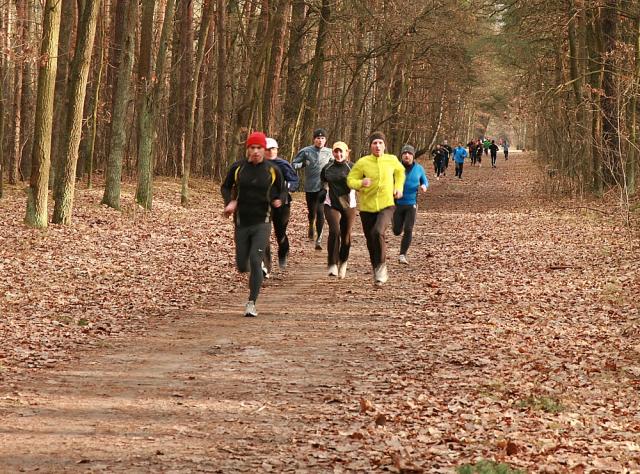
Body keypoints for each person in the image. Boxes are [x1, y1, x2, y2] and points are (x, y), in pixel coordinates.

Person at [221, 132, 286, 317]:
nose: (256, 151)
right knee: (242, 265)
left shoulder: (272, 169)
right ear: (247, 149)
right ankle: (254, 270)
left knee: (256, 260)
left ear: (264, 149)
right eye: (252, 148)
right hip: (242, 221)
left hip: (262, 221)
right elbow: (225, 186)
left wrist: (279, 200)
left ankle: (251, 303)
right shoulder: (238, 168)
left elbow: (282, 190)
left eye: (259, 148)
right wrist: (230, 202)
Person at [347, 131, 405, 285]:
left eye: (380, 143)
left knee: (377, 232)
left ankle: (381, 267)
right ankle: (376, 268)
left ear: (384, 145)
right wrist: (360, 183)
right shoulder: (363, 162)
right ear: (370, 146)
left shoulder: (391, 160)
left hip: (387, 205)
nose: (377, 146)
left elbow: (400, 172)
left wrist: (398, 187)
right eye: (374, 143)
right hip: (367, 207)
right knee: (370, 239)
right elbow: (350, 180)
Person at [292, 128, 333, 250]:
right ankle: (311, 224)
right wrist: (303, 164)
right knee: (312, 212)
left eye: (322, 138)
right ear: (314, 139)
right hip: (310, 187)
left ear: (325, 140)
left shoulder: (330, 152)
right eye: (318, 138)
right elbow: (293, 164)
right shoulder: (306, 151)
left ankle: (319, 239)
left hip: (323, 187)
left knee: (320, 212)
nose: (320, 140)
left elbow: (337, 164)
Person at [263, 138, 299, 273]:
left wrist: (285, 191)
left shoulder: (283, 164)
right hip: (263, 204)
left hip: (282, 204)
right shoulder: (258, 165)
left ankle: (283, 253)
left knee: (280, 233)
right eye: (267, 149)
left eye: (273, 149)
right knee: (263, 233)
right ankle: (265, 266)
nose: (270, 152)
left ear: (277, 150)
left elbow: (294, 181)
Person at [321, 141, 356, 278]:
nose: (339, 154)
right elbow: (323, 181)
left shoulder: (352, 167)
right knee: (334, 231)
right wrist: (323, 191)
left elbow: (360, 183)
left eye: (341, 151)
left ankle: (343, 261)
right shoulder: (327, 167)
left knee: (346, 235)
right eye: (336, 151)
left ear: (347, 152)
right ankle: (332, 264)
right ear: (333, 152)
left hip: (348, 205)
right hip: (331, 204)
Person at [393, 145, 428, 264]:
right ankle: (398, 223)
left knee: (408, 229)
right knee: (397, 231)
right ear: (401, 156)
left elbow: (424, 180)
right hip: (397, 204)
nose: (407, 155)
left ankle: (402, 254)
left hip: (411, 203)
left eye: (409, 153)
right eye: (404, 153)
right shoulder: (396, 167)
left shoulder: (419, 169)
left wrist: (424, 186)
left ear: (413, 156)